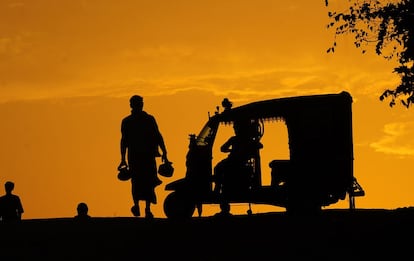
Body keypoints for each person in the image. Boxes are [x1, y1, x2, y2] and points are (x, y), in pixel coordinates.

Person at [118, 95, 169, 219]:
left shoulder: (145, 120)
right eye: (139, 103)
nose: (140, 105)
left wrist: (165, 152)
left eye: (140, 102)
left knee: (145, 182)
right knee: (142, 182)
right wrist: (123, 158)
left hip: (144, 156)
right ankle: (141, 207)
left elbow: (158, 136)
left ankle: (144, 208)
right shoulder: (131, 121)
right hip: (139, 157)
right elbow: (124, 141)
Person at [213, 120, 263, 216]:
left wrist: (231, 150)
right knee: (219, 168)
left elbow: (222, 148)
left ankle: (217, 188)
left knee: (218, 168)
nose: (235, 130)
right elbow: (223, 148)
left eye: (236, 128)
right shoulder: (243, 140)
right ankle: (219, 188)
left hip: (235, 162)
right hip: (237, 162)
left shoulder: (236, 139)